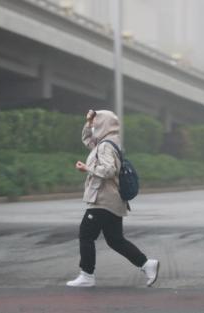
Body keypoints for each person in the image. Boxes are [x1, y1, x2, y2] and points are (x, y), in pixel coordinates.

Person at [66, 110, 159, 288]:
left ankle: (86, 275)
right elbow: (87, 140)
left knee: (85, 234)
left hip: (103, 200)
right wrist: (88, 122)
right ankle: (147, 264)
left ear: (104, 124)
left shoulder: (105, 146)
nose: (94, 126)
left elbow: (108, 170)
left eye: (96, 123)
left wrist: (87, 169)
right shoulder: (108, 142)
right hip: (113, 201)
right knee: (115, 240)